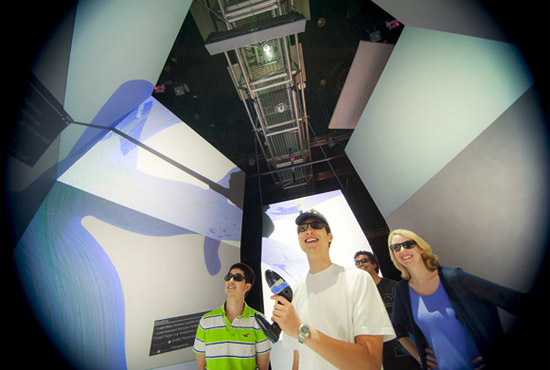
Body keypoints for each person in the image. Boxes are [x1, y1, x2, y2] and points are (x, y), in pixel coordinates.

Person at [272, 209, 395, 370]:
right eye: (302, 228)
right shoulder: (296, 293)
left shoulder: (357, 279)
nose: (308, 230)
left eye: (316, 225)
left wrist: (302, 330)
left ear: (329, 236)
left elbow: (370, 363)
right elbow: (299, 359)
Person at [388, 229, 526, 370]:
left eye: (408, 244)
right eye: (396, 248)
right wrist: (419, 356)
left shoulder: (453, 278)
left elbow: (513, 300)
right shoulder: (403, 290)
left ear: (421, 248)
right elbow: (397, 328)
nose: (402, 250)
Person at [193, 262, 271, 370]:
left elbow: (263, 368)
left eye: (237, 278)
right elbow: (200, 367)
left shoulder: (259, 321)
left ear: (247, 286)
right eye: (229, 277)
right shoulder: (206, 321)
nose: (231, 281)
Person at [354, 251, 420, 369]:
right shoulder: (358, 295)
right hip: (383, 353)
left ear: (374, 264)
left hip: (406, 347)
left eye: (364, 260)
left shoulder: (394, 287)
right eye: (357, 263)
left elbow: (412, 315)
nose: (360, 264)